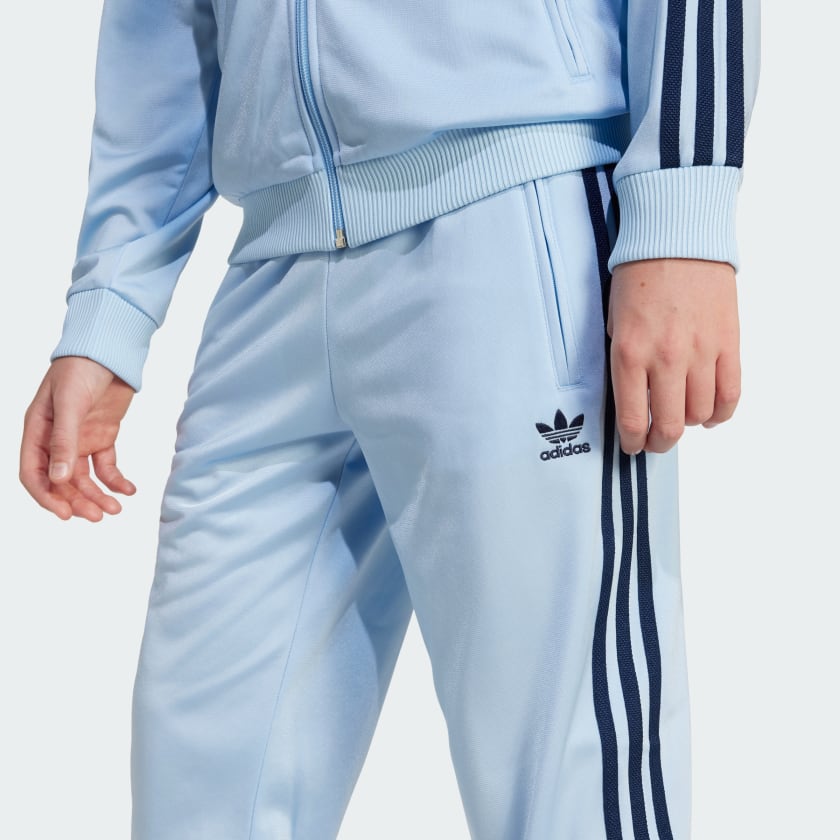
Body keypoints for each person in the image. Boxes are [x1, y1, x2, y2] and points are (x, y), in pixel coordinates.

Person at [19, 0, 760, 837]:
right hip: (272, 267)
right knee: (197, 797)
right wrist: (110, 307)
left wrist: (682, 211)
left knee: (569, 792)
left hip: (508, 211)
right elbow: (159, 27)